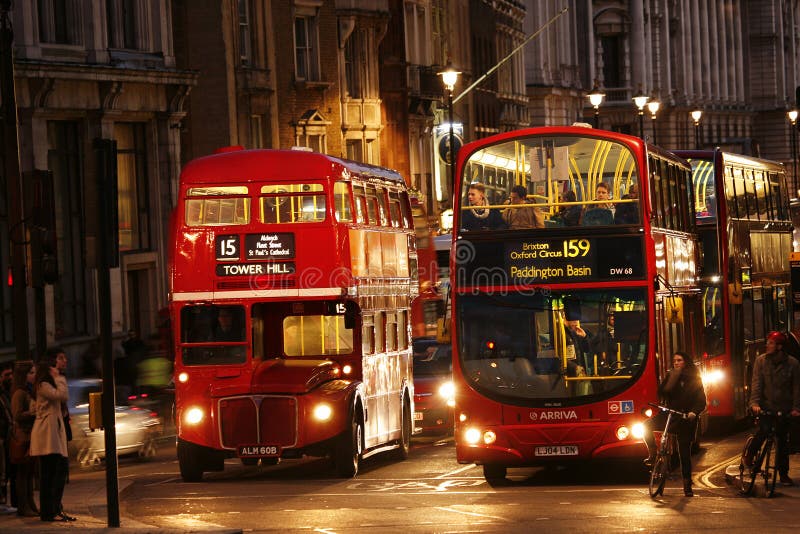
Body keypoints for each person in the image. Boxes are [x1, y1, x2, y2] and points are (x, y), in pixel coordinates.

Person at [643, 351, 706, 497]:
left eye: (679, 360)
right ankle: (652, 453)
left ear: (686, 362)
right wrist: (672, 378)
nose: (676, 363)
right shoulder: (671, 375)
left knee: (684, 452)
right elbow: (662, 392)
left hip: (685, 418)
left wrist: (694, 413)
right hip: (670, 414)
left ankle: (687, 485)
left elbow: (701, 400)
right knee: (646, 425)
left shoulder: (694, 378)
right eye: (674, 361)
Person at [746, 331, 800, 486]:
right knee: (764, 431)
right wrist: (754, 404)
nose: (767, 345)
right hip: (766, 405)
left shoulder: (793, 364)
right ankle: (750, 454)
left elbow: (796, 388)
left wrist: (796, 408)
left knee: (782, 441)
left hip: (784, 407)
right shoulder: (760, 361)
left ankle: (783, 474)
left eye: (770, 343)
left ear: (779, 346)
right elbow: (756, 385)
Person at [29, 360, 76, 522]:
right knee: (48, 474)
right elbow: (62, 395)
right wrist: (59, 379)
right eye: (53, 368)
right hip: (46, 435)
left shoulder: (44, 385)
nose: (56, 370)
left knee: (50, 474)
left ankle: (49, 511)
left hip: (50, 434)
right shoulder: (43, 385)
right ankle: (47, 512)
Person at [10, 361, 37, 517]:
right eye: (31, 373)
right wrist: (32, 413)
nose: (34, 376)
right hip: (23, 436)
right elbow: (17, 415)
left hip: (30, 435)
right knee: (23, 473)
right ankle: (24, 505)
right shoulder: (19, 393)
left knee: (29, 473)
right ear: (24, 375)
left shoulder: (28, 391)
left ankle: (30, 503)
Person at [0, 361, 15, 513]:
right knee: (2, 471)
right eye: (6, 375)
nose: (9, 377)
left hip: (6, 436)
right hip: (1, 436)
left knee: (5, 471)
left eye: (11, 374)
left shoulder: (6, 393)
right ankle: (1, 501)